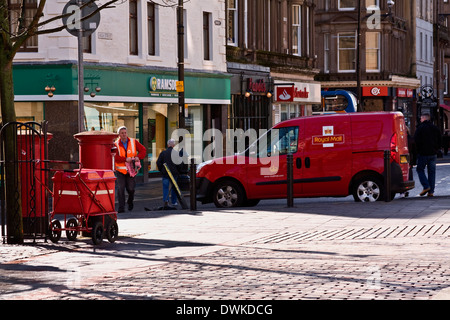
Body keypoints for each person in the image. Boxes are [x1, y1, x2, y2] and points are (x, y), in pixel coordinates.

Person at [114, 126, 146, 212]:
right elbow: (115, 157)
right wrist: (125, 159)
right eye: (122, 133)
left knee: (131, 189)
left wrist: (138, 157)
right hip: (120, 171)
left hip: (131, 170)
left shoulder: (133, 141)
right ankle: (121, 208)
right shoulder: (115, 144)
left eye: (125, 133)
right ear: (119, 135)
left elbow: (143, 150)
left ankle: (130, 201)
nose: (124, 135)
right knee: (121, 189)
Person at [413, 113, 441, 197]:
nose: (420, 120)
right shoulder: (435, 128)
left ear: (424, 118)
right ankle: (431, 191)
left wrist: (417, 151)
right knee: (432, 172)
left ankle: (426, 186)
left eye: (421, 118)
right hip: (433, 153)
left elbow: (416, 141)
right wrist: (436, 149)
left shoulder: (420, 128)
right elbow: (440, 139)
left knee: (420, 169)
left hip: (423, 153)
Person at [156, 139, 180, 207]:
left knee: (165, 187)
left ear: (167, 145)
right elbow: (179, 164)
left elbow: (158, 162)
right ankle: (174, 201)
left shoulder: (163, 153)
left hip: (165, 173)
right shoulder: (176, 153)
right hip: (174, 173)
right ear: (174, 145)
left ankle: (166, 200)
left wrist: (162, 170)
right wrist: (178, 171)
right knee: (174, 187)